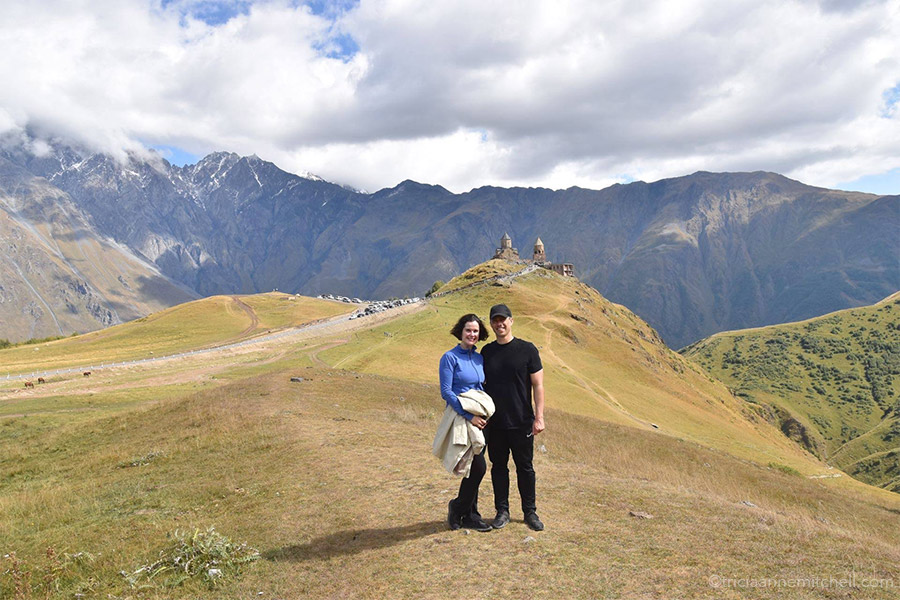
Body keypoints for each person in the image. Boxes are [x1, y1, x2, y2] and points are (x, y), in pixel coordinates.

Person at [482, 303, 546, 531]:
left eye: (503, 319)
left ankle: (530, 512)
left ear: (511, 321)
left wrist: (539, 417)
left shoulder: (527, 350)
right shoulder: (487, 352)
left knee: (525, 468)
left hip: (522, 422)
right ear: (491, 324)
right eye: (495, 320)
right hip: (495, 423)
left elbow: (538, 385)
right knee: (498, 467)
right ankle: (502, 511)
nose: (500, 324)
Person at [439, 313, 493, 532]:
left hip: (482, 418)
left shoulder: (479, 358)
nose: (472, 334)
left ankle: (471, 514)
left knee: (474, 468)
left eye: (476, 331)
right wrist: (468, 415)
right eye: (468, 330)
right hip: (463, 418)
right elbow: (446, 392)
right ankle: (458, 507)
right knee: (478, 467)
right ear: (460, 332)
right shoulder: (450, 357)